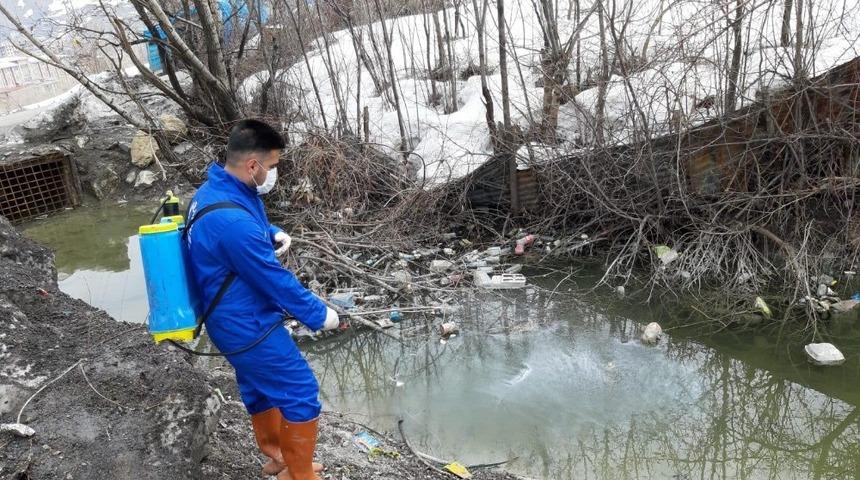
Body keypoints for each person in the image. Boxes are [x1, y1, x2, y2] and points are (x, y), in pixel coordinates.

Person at [185, 119, 338, 480]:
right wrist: (320, 315)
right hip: (246, 323)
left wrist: (270, 232)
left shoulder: (215, 191)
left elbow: (240, 226)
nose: (272, 173)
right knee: (300, 391)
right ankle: (299, 476)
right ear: (252, 165)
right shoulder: (232, 224)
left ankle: (278, 458)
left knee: (259, 387)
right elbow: (275, 281)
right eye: (271, 166)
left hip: (229, 315)